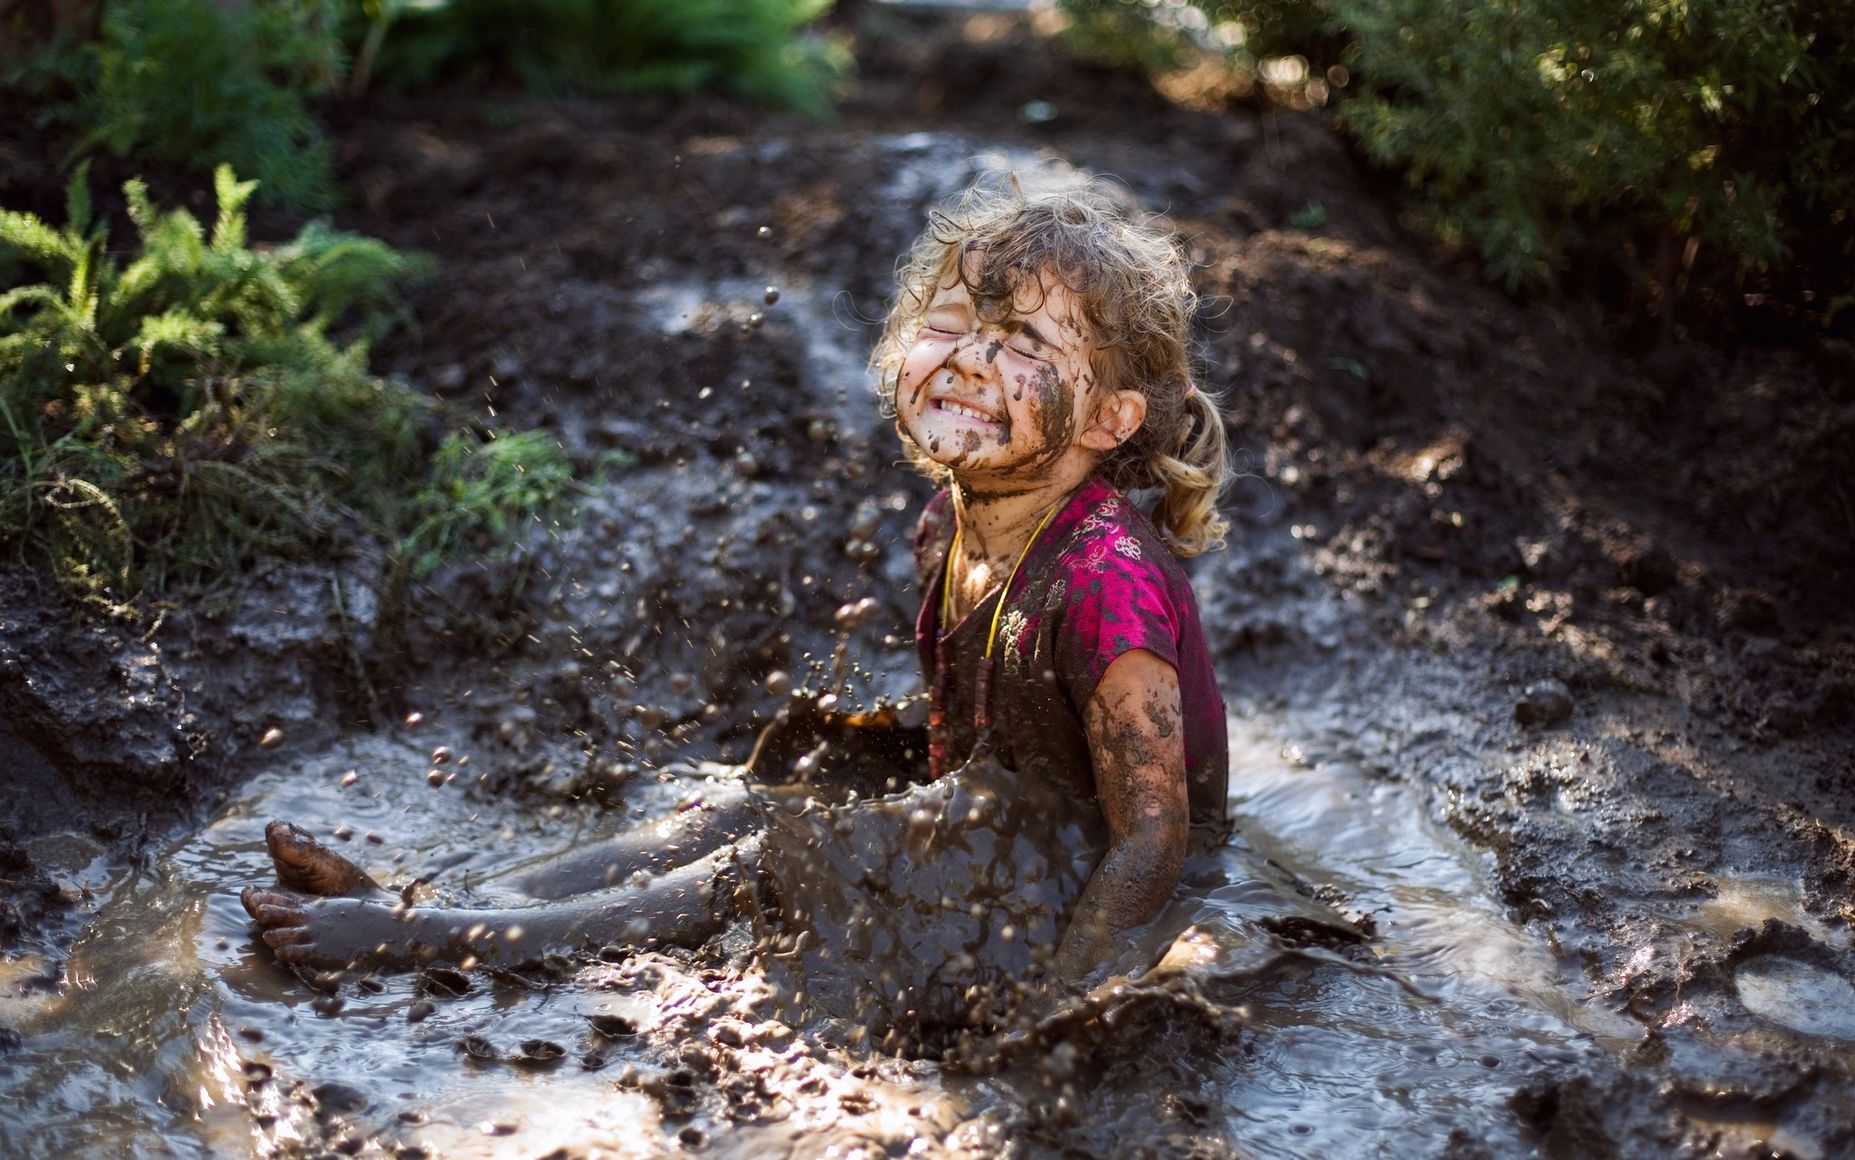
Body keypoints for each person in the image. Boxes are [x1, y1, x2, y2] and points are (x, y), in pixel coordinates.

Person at [241, 176, 1234, 1005]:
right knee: (737, 807)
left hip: (1088, 882)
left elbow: (1152, 840)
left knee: (767, 863)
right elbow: (971, 738)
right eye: (952, 324)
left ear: (1108, 416)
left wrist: (1062, 997)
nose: (972, 358)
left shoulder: (1107, 583)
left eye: (1022, 342)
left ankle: (427, 942)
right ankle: (424, 904)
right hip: (1001, 827)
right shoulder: (949, 524)